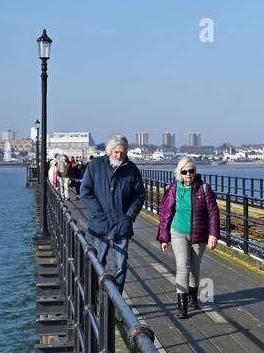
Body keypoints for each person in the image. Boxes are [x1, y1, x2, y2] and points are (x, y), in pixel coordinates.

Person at [156, 156, 220, 318]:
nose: (188, 175)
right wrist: (164, 238)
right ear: (180, 173)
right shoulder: (174, 188)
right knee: (182, 266)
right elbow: (166, 213)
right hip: (177, 231)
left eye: (191, 171)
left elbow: (213, 213)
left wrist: (213, 234)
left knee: (194, 266)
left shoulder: (204, 188)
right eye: (185, 172)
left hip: (199, 233)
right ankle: (182, 306)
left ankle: (193, 295)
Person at [78, 135, 144, 292]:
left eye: (122, 152)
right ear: (109, 151)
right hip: (100, 224)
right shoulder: (95, 166)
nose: (119, 155)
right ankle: (93, 298)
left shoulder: (132, 169)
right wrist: (98, 214)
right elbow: (85, 192)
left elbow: (139, 195)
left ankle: (117, 301)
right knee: (97, 262)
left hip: (122, 224)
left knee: (120, 265)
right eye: (116, 152)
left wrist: (129, 216)